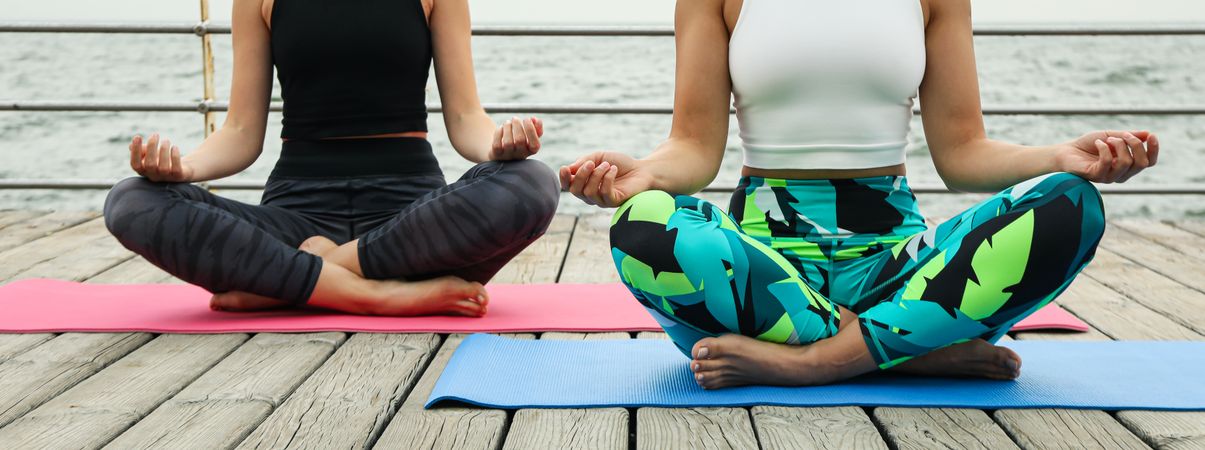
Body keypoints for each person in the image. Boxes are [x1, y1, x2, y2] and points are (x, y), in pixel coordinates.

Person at [560, 0, 1158, 388]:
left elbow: (962, 153)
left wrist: (1061, 159)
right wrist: (643, 174)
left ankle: (815, 359)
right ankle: (909, 350)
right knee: (643, 224)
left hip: (895, 271)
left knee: (1071, 203)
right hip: (761, 275)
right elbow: (693, 146)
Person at [103, 0, 560, 316]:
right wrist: (183, 170)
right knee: (132, 201)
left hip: (408, 220)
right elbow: (241, 133)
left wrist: (499, 147)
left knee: (533, 182)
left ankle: (297, 283)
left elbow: (465, 118)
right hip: (298, 216)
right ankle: (378, 296)